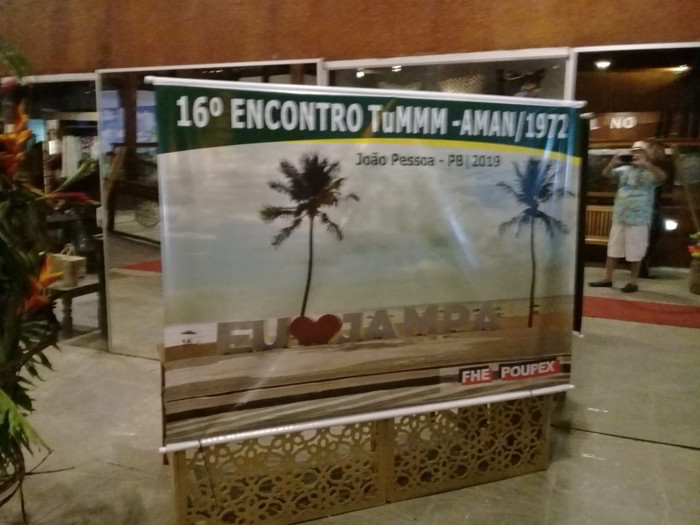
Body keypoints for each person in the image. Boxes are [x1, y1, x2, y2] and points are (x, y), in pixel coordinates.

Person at [589, 141, 667, 293]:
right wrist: (612, 163)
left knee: (635, 251)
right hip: (620, 216)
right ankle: (607, 278)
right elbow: (606, 174)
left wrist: (646, 164)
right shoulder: (624, 170)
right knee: (613, 248)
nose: (636, 153)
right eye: (634, 151)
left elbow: (662, 177)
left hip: (638, 218)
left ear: (648, 154)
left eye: (640, 151)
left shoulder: (651, 172)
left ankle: (633, 282)